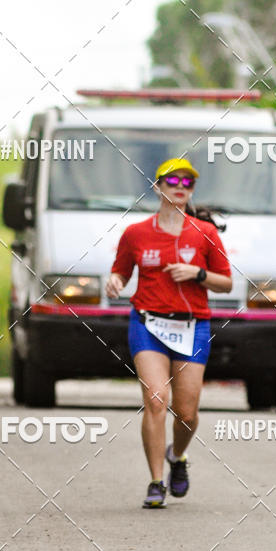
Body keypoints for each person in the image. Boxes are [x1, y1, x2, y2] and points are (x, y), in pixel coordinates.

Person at [106, 157, 233, 509]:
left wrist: (198, 274)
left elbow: (226, 283)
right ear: (157, 186)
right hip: (148, 323)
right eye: (172, 181)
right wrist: (115, 281)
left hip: (192, 326)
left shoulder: (205, 233)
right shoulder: (135, 234)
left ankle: (177, 456)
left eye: (187, 182)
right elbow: (120, 272)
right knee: (156, 399)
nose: (180, 187)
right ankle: (155, 482)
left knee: (187, 413)